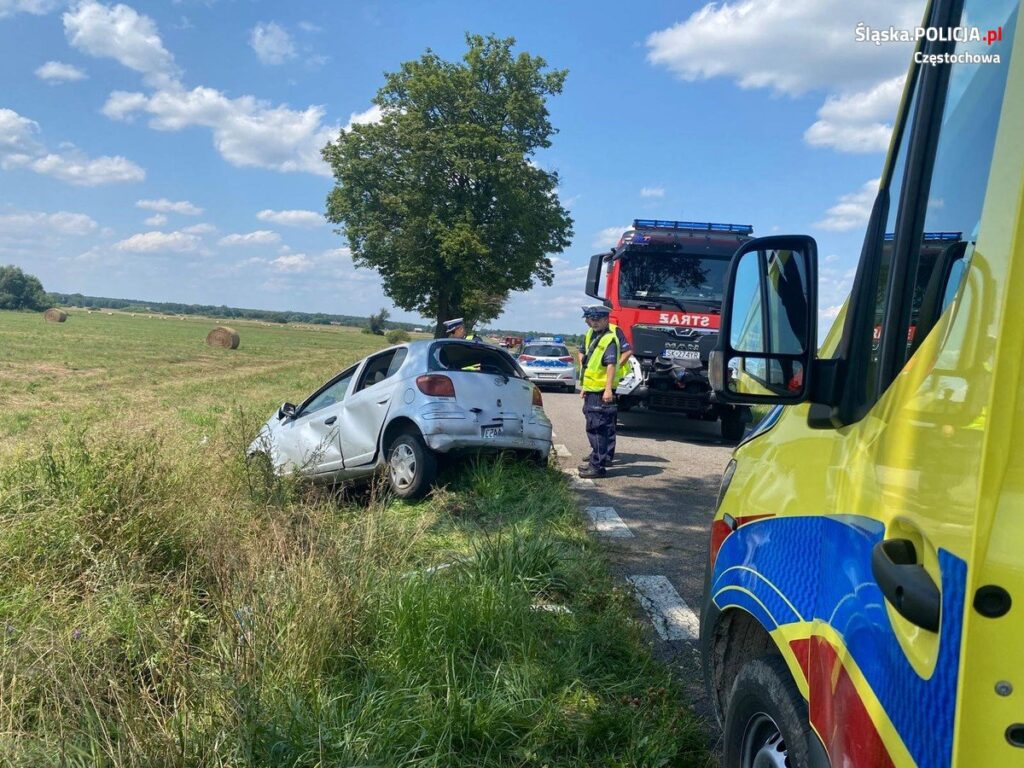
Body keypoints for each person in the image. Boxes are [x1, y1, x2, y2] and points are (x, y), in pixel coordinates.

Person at [577, 305, 627, 478]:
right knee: (593, 425)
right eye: (592, 319)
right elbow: (588, 364)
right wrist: (584, 387)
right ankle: (595, 461)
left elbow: (611, 365)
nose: (594, 322)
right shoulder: (593, 335)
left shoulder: (609, 339)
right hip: (592, 389)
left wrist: (607, 390)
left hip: (601, 391)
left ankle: (597, 466)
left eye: (598, 319)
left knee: (598, 427)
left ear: (606, 320)